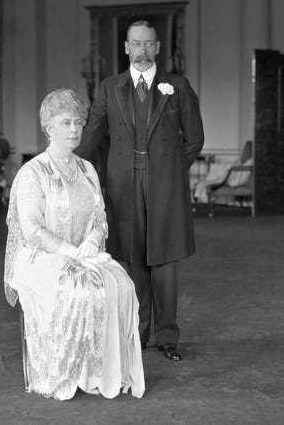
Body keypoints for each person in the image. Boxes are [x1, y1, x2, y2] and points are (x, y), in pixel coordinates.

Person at [3, 88, 145, 400]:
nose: (74, 129)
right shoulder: (32, 173)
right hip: (38, 258)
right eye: (66, 122)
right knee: (79, 290)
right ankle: (68, 371)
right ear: (48, 127)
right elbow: (31, 231)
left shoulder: (87, 170)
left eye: (79, 122)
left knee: (121, 284)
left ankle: (103, 372)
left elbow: (100, 219)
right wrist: (70, 252)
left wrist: (92, 243)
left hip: (83, 254)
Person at [76, 21, 204, 361]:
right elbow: (93, 133)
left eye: (149, 44)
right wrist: (69, 165)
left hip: (165, 184)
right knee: (131, 259)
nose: (143, 50)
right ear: (126, 48)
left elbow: (194, 140)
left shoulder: (177, 86)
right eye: (136, 43)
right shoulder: (110, 87)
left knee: (164, 261)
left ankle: (167, 337)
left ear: (158, 47)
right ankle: (137, 332)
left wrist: (169, 173)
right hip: (123, 184)